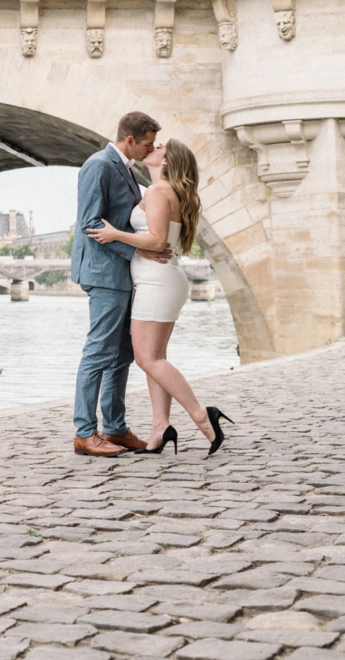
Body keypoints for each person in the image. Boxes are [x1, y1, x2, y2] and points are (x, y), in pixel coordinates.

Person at [86, 139, 235, 456]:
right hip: (162, 281)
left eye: (160, 147)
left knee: (147, 359)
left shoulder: (157, 192)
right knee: (156, 361)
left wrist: (115, 234)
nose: (152, 147)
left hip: (157, 282)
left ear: (166, 162)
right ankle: (159, 429)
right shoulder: (165, 192)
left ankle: (202, 417)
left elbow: (154, 240)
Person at [69, 111, 170, 456]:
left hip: (122, 273)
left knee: (123, 353)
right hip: (104, 273)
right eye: (147, 143)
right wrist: (137, 252)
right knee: (99, 352)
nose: (151, 148)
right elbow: (90, 223)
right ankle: (84, 432)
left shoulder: (125, 168)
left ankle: (114, 428)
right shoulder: (99, 165)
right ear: (130, 140)